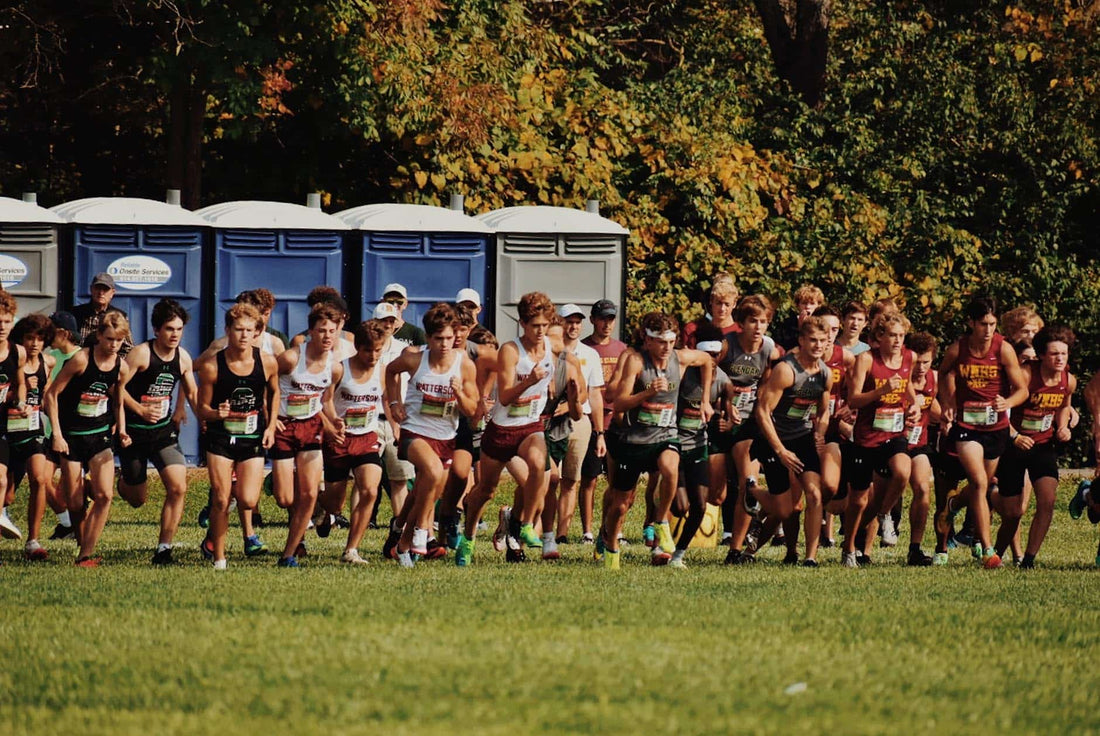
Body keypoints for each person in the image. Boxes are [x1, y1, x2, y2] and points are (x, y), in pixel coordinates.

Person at [458, 293, 566, 562]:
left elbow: (571, 362)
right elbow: (505, 396)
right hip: (501, 430)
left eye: (544, 325)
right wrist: (530, 381)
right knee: (486, 490)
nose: (540, 332)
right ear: (522, 324)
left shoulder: (551, 346)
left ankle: (524, 524)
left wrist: (571, 386)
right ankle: (468, 538)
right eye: (535, 326)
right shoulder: (510, 350)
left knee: (541, 469)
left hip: (530, 426)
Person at [601, 312, 713, 568]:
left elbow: (706, 360)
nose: (666, 348)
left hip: (665, 435)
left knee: (670, 466)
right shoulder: (636, 362)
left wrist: (706, 399)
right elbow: (618, 402)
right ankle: (611, 548)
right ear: (648, 340)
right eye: (661, 342)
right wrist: (648, 392)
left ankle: (661, 521)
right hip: (635, 440)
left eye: (671, 342)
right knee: (620, 505)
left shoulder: (680, 359)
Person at [936, 296, 1029, 569]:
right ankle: (988, 550)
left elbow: (1022, 389)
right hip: (966, 428)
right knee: (978, 482)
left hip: (996, 428)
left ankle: (953, 505)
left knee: (982, 485)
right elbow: (943, 374)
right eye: (983, 324)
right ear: (971, 323)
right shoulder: (958, 349)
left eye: (992, 324)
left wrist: (1007, 403)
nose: (988, 330)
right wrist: (950, 403)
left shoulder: (1004, 349)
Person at [386, 303, 478, 566]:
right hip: (415, 430)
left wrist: (459, 393)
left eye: (450, 337)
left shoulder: (464, 364)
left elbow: (472, 411)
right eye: (439, 339)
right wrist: (395, 404)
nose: (445, 344)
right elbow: (390, 371)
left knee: (428, 490)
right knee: (433, 472)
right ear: (429, 338)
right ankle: (420, 533)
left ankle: (402, 545)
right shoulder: (415, 358)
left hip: (445, 436)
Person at [195, 304, 279, 569]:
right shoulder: (212, 365)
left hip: (252, 438)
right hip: (221, 439)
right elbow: (201, 410)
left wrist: (271, 425)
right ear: (227, 330)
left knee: (248, 499)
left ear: (257, 333)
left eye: (249, 330)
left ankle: (217, 532)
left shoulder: (266, 361)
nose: (244, 335)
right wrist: (217, 414)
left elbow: (275, 393)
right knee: (221, 498)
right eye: (238, 329)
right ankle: (219, 557)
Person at [115, 298, 199, 565]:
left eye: (178, 329)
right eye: (169, 329)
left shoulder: (183, 356)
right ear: (156, 330)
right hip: (134, 433)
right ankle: (116, 482)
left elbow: (191, 386)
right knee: (137, 499)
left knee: (178, 487)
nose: (174, 335)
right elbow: (115, 388)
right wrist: (139, 409)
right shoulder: (141, 354)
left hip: (163, 433)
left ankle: (164, 549)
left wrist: (185, 410)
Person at [44, 312, 131, 567]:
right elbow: (52, 395)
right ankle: (83, 547)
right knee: (75, 502)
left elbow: (118, 401)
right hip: (71, 437)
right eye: (109, 339)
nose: (113, 345)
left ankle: (86, 554)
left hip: (100, 436)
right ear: (99, 336)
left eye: (118, 340)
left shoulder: (121, 366)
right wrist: (57, 435)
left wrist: (122, 429)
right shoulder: (81, 360)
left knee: (105, 495)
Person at [745, 316, 831, 566]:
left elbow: (823, 411)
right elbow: (762, 411)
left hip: (802, 437)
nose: (817, 345)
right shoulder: (786, 369)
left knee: (814, 494)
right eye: (812, 340)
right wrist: (780, 450)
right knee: (785, 510)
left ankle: (810, 558)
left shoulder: (826, 374)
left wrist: (820, 433)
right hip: (774, 439)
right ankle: (751, 491)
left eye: (822, 341)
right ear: (802, 341)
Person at [991, 325, 1075, 568]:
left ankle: (1029, 559)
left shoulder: (1068, 379)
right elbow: (1002, 409)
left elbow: (1063, 406)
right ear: (1041, 355)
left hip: (1043, 445)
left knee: (1047, 500)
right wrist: (1015, 436)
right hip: (1014, 446)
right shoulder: (1026, 375)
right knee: (1014, 512)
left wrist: (1063, 427)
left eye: (1064, 354)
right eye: (1054, 354)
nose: (1060, 359)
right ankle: (991, 500)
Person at [843, 312, 920, 567]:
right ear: (879, 336)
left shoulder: (910, 356)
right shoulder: (865, 360)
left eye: (901, 336)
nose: (898, 341)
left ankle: (886, 515)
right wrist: (881, 391)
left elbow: (907, 384)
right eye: (893, 336)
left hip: (894, 433)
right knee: (859, 500)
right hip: (865, 438)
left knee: (902, 471)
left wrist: (914, 404)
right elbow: (853, 399)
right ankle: (849, 547)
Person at [270, 303, 341, 567]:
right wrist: (271, 417)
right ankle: (279, 480)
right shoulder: (291, 358)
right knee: (285, 498)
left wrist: (335, 422)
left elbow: (327, 400)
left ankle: (288, 554)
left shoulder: (334, 367)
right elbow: (267, 384)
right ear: (311, 331)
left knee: (310, 494)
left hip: (311, 428)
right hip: (284, 427)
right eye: (322, 330)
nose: (327, 336)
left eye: (332, 331)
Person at [314, 320, 389, 564]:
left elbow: (386, 399)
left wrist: (396, 423)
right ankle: (321, 507)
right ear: (358, 347)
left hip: (367, 437)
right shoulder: (340, 369)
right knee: (336, 503)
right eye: (369, 350)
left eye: (378, 350)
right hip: (339, 438)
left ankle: (351, 550)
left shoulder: (382, 369)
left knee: (369, 489)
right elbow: (323, 401)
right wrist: (332, 422)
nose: (373, 355)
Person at [718, 295, 781, 564]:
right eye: (753, 321)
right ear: (740, 323)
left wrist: (761, 413)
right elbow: (708, 377)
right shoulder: (726, 346)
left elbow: (767, 385)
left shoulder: (769, 349)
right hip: (720, 420)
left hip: (748, 424)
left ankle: (735, 549)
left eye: (763, 322)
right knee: (715, 494)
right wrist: (724, 405)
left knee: (747, 482)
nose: (758, 327)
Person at [669, 323, 732, 567]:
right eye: (706, 355)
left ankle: (678, 555)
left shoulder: (725, 383)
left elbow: (725, 418)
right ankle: (658, 508)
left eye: (715, 355)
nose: (711, 360)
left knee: (700, 503)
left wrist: (724, 422)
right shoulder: (683, 374)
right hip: (673, 443)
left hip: (697, 444)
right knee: (679, 506)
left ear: (721, 353)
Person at [552, 303, 606, 543]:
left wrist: (600, 432)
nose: (573, 326)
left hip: (580, 420)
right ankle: (536, 528)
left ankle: (562, 533)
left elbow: (594, 394)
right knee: (548, 478)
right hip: (551, 421)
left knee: (571, 480)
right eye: (568, 321)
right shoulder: (550, 351)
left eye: (577, 322)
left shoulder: (590, 354)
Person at [5, 315, 54, 559]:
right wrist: (18, 391)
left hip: (33, 430)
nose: (35, 343)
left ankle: (33, 541)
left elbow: (47, 397)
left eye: (40, 339)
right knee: (8, 496)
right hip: (8, 430)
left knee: (39, 479)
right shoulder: (14, 359)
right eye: (29, 338)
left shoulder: (49, 362)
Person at [577, 299, 626, 544]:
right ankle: (587, 530)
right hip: (592, 417)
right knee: (590, 477)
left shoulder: (622, 349)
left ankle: (615, 529)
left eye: (611, 319)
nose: (607, 324)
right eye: (603, 318)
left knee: (618, 480)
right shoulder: (584, 348)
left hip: (616, 420)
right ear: (593, 319)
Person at [42, 311, 82, 541]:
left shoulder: (81, 358)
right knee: (41, 480)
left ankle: (80, 529)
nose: (45, 335)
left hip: (75, 436)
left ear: (64, 333)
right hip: (52, 433)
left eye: (50, 330)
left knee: (73, 490)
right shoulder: (52, 357)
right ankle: (68, 524)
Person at [902, 332, 940, 566]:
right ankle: (860, 547)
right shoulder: (899, 377)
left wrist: (946, 416)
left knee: (923, 490)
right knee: (881, 496)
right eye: (917, 362)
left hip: (919, 444)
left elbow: (933, 405)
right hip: (889, 444)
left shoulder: (933, 378)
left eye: (927, 362)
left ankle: (915, 548)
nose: (921, 367)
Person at [71, 272, 133, 357]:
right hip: (80, 361)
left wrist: (113, 364)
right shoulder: (76, 313)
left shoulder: (120, 316)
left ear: (112, 293)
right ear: (91, 289)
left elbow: (128, 349)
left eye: (105, 289)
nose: (101, 293)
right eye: (98, 288)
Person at [682, 276, 740, 348]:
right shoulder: (693, 330)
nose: (722, 308)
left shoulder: (741, 333)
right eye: (718, 303)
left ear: (734, 304)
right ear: (711, 301)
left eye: (727, 304)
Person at [773, 284, 825, 351]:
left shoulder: (822, 323)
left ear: (818, 305)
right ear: (797, 305)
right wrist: (800, 328)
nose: (807, 307)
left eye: (812, 303)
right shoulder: (787, 324)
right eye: (804, 303)